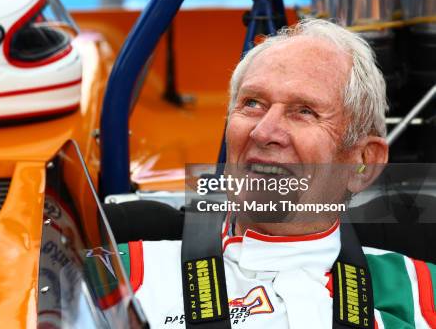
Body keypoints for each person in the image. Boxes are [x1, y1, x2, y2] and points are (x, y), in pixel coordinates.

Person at [119, 19, 436, 328]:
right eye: (252, 103)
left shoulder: (420, 295)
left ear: (363, 162)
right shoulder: (121, 276)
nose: (263, 131)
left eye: (304, 111)